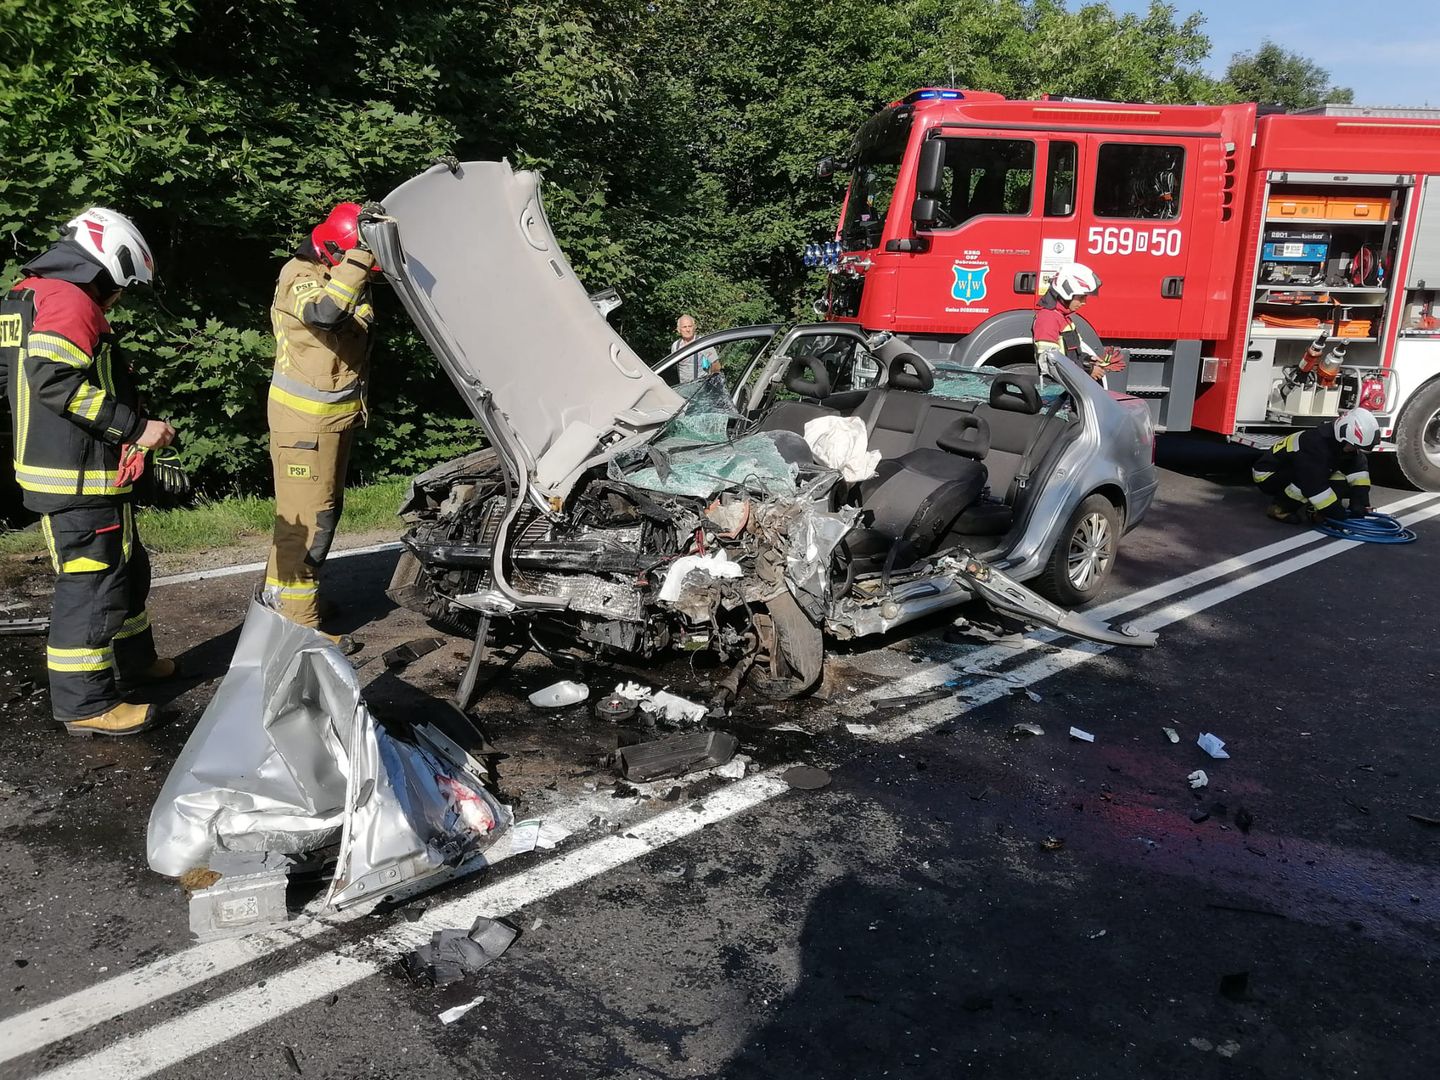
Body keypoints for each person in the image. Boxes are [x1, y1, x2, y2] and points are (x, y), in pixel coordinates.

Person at [1, 208, 178, 736]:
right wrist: (135, 427)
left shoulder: (27, 294)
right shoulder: (68, 299)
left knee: (127, 569)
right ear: (104, 266)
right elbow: (54, 380)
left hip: (81, 471)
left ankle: (135, 662)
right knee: (93, 584)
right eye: (119, 286)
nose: (117, 298)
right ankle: (86, 706)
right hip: (75, 478)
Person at [263, 201, 378, 638]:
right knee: (307, 524)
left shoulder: (339, 273)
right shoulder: (300, 276)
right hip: (303, 428)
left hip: (330, 423)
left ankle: (285, 599)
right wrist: (361, 257)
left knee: (316, 515)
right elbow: (326, 314)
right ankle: (298, 625)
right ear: (339, 250)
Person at [1252, 408, 1376, 523]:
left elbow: (1359, 472)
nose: (1356, 450)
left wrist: (1360, 503)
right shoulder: (1314, 445)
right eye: (1354, 446)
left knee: (1339, 480)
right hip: (1268, 474)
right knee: (1308, 481)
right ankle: (1280, 509)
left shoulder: (1342, 444)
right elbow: (1314, 486)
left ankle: (1317, 510)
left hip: (1298, 468)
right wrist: (1338, 514)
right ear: (1344, 435)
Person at [1032, 263, 1124, 384]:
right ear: (1066, 292)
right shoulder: (1048, 318)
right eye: (1081, 297)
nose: (1084, 302)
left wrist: (1089, 360)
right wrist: (1088, 369)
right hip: (1055, 388)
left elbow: (1072, 355)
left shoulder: (1064, 318)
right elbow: (1049, 362)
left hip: (1067, 385)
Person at [671, 314, 720, 384]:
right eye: (684, 327)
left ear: (694, 327)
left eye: (690, 326)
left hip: (701, 387)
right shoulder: (675, 346)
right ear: (679, 330)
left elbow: (716, 365)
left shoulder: (703, 343)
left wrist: (712, 382)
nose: (688, 329)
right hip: (682, 387)